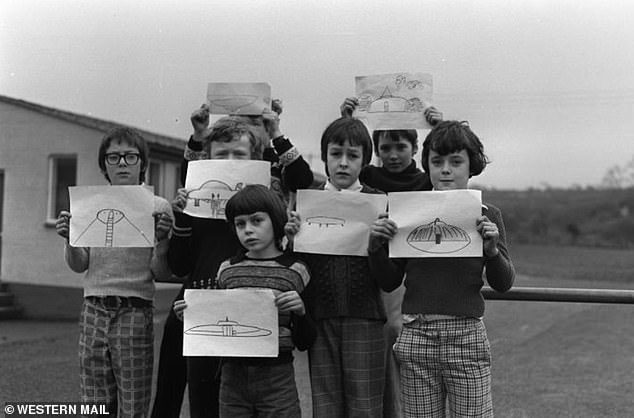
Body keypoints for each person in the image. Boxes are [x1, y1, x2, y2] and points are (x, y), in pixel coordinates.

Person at [151, 104, 313, 418]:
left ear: (256, 159)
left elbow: (302, 181)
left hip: (246, 315)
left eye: (238, 154)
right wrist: (182, 218)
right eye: (221, 154)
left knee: (235, 404)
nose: (229, 161)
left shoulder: (259, 206)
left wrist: (275, 133)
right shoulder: (196, 201)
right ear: (208, 160)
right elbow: (180, 266)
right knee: (186, 402)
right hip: (197, 309)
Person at [367, 121, 515, 417]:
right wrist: (375, 247)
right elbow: (389, 280)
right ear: (427, 166)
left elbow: (503, 282)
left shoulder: (488, 215)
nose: (445, 169)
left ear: (471, 166)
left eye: (455, 162)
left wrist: (492, 251)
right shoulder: (408, 212)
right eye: (437, 162)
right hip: (416, 335)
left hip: (466, 336)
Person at [55, 127, 173, 417]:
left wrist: (163, 241)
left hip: (134, 309)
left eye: (130, 156)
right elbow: (80, 264)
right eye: (113, 157)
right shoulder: (89, 204)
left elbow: (158, 271)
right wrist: (71, 239)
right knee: (94, 403)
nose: (121, 163)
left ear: (142, 163)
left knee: (133, 403)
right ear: (104, 165)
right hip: (94, 308)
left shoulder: (157, 207)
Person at [174, 185, 315, 418]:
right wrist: (192, 317)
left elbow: (306, 340)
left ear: (276, 220)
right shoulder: (227, 271)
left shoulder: (296, 270)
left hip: (277, 378)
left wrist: (300, 312)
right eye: (240, 224)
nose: (248, 230)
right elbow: (215, 330)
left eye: (257, 220)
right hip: (231, 379)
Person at [340, 96, 442, 417]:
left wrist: (438, 129)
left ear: (415, 148)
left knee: (404, 350)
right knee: (378, 353)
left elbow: (453, 175)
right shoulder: (368, 178)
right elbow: (341, 176)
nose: (393, 155)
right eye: (385, 148)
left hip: (409, 276)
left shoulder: (426, 180)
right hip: (372, 269)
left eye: (400, 146)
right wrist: (347, 120)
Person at [285, 117, 391, 418]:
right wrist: (291, 239)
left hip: (365, 317)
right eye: (336, 154)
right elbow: (297, 268)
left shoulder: (377, 204)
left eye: (353, 155)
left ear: (365, 161)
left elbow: (387, 279)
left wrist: (377, 246)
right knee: (326, 407)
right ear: (324, 156)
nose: (343, 163)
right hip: (321, 317)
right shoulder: (308, 203)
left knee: (365, 407)